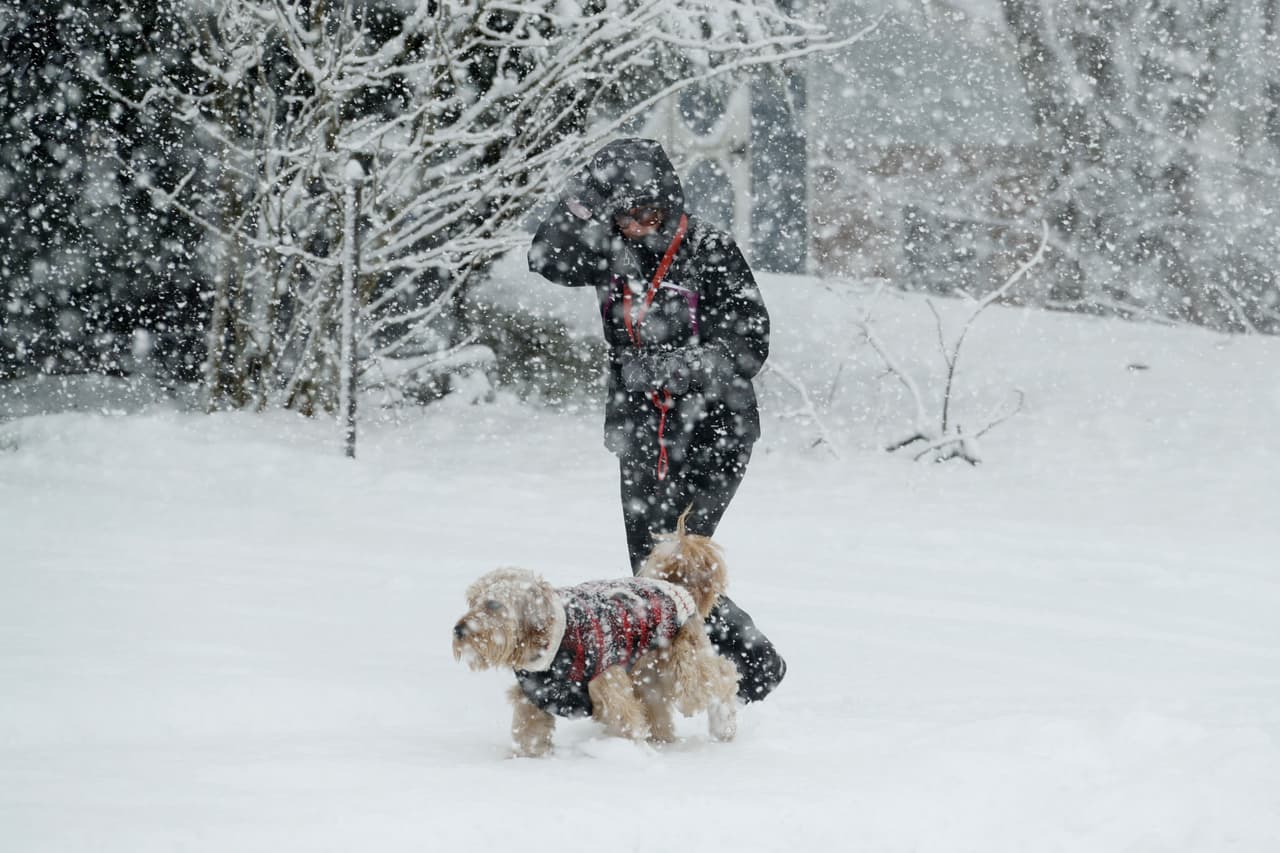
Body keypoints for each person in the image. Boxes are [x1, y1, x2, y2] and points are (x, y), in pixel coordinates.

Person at [527, 137, 786, 704]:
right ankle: (672, 669)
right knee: (650, 567)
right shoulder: (609, 250)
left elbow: (750, 343)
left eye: (649, 213)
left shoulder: (710, 249)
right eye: (625, 214)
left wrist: (676, 368)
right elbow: (545, 259)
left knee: (674, 566)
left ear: (670, 203)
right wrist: (575, 205)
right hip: (640, 432)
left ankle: (750, 665)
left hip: (714, 432)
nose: (638, 226)